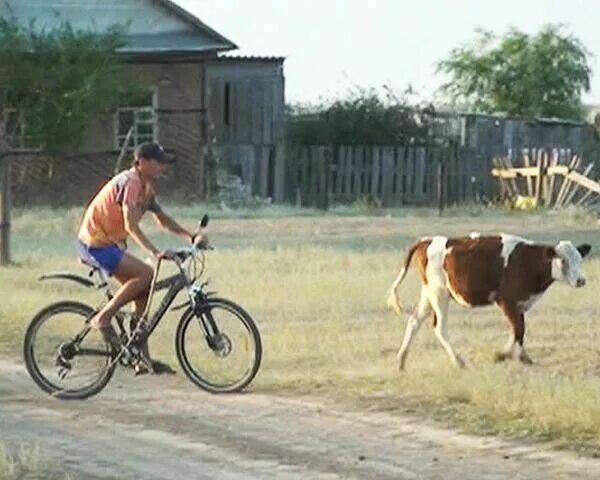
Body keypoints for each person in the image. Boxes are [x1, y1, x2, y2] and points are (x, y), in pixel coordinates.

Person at [77, 141, 205, 374]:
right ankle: (103, 318)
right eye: (158, 163)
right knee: (146, 274)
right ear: (142, 162)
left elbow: (162, 219)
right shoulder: (132, 181)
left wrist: (190, 236)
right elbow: (130, 223)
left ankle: (141, 359)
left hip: (109, 244)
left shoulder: (146, 187)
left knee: (143, 294)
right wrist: (154, 252)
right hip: (95, 243)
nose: (162, 168)